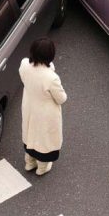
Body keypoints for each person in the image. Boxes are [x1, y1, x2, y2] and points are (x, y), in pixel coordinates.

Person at [19, 37, 67, 176]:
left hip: (29, 107)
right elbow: (62, 98)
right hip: (45, 114)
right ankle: (41, 167)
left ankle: (29, 162)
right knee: (43, 140)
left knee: (29, 134)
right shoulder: (51, 78)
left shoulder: (24, 65)